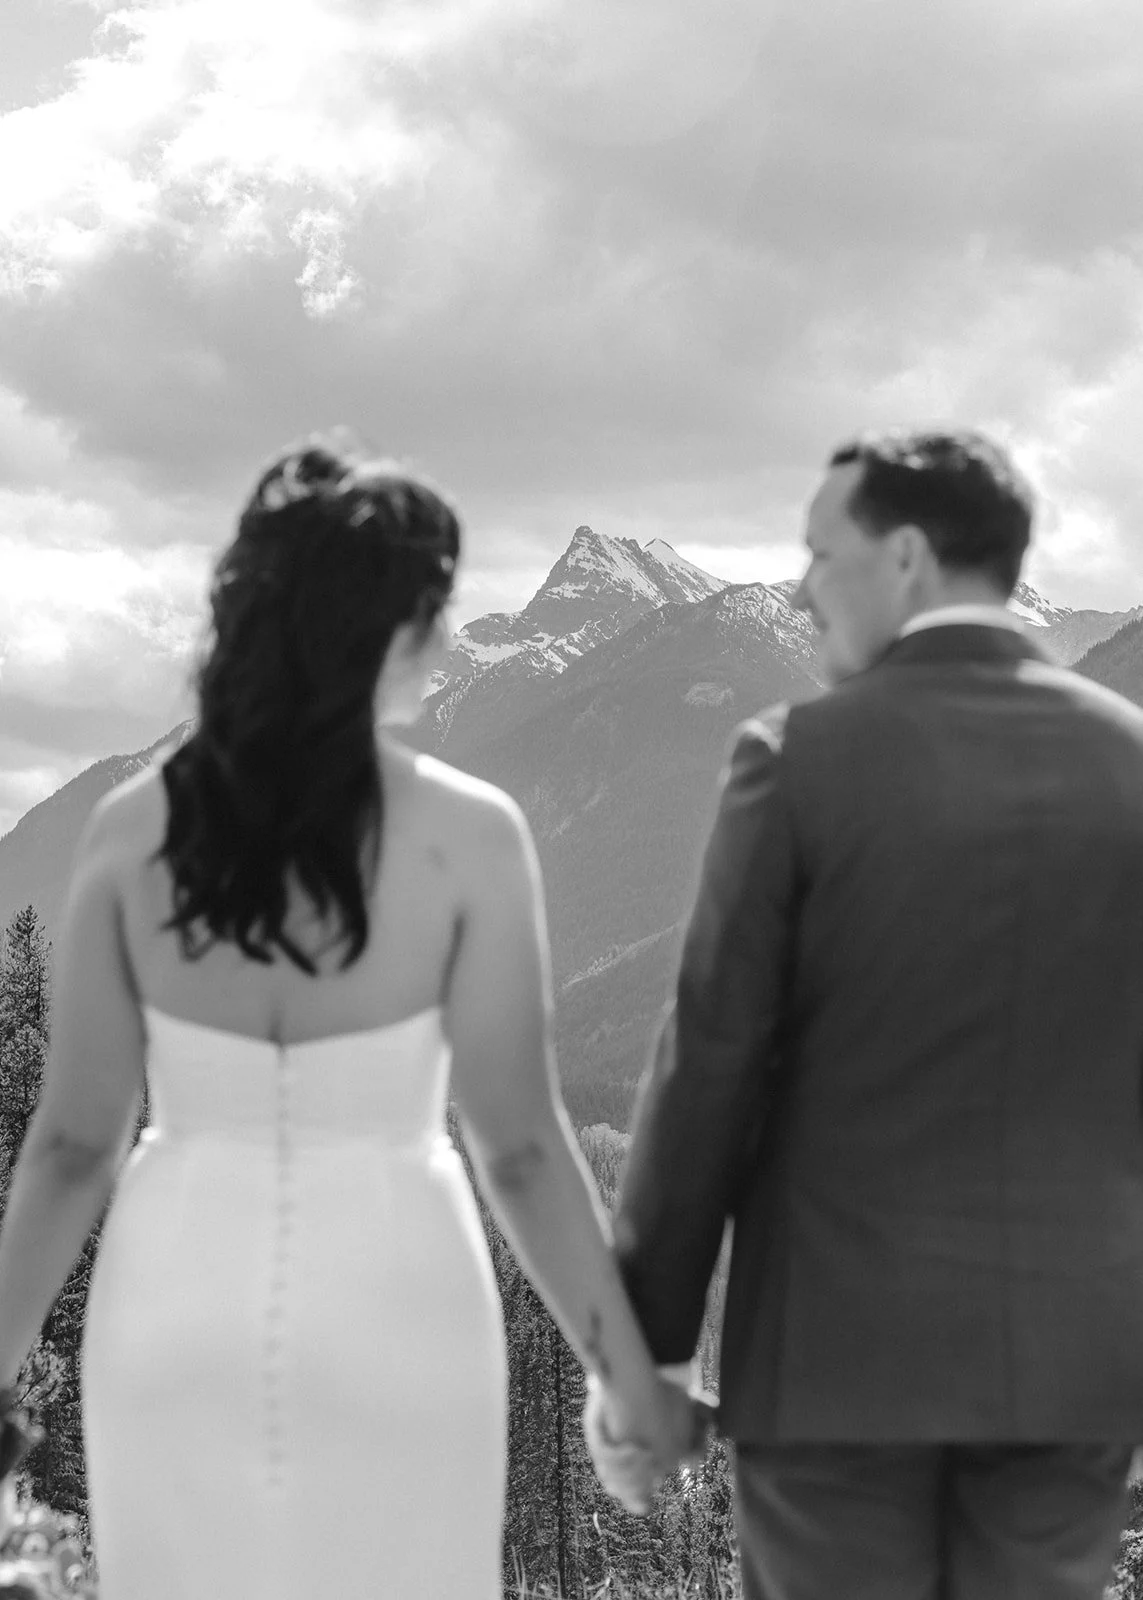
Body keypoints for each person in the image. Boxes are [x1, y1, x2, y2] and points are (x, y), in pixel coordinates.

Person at [0, 434, 702, 1599]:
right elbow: (522, 1148)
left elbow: (73, 1145)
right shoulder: (470, 835)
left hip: (172, 1296)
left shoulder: (132, 830)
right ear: (399, 628)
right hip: (404, 1293)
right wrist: (622, 1375)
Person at [586, 429, 1143, 1598]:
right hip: (1075, 1363)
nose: (800, 586)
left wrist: (649, 1356)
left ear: (903, 557)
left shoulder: (797, 760)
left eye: (818, 551)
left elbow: (710, 1067)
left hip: (837, 1365)